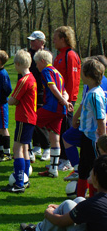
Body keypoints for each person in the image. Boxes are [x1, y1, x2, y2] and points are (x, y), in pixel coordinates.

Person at [20, 155, 107, 231]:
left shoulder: (92, 203)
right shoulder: (92, 204)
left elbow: (61, 221)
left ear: (96, 176)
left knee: (67, 204)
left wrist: (48, 213)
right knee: (79, 200)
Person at [65, 58, 106, 197]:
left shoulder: (95, 94)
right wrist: (78, 120)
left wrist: (103, 138)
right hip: (86, 135)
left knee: (94, 170)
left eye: (81, 72)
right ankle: (80, 198)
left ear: (88, 75)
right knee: (83, 169)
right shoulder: (91, 91)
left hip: (93, 138)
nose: (80, 75)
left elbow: (100, 117)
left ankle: (95, 198)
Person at [1, 50, 37, 193]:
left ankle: (19, 183)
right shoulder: (32, 77)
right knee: (25, 148)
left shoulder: (24, 80)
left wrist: (7, 100)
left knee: (17, 148)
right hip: (31, 117)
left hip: (24, 118)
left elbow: (13, 100)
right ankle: (25, 178)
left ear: (17, 64)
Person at [33, 50, 73, 178]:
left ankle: (26, 155)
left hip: (52, 107)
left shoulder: (46, 71)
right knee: (54, 137)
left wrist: (62, 101)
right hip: (61, 110)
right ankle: (53, 169)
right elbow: (65, 91)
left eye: (37, 63)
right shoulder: (58, 73)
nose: (36, 66)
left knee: (29, 121)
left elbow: (53, 87)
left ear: (43, 61)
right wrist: (65, 102)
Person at [53, 26, 82, 172]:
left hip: (66, 100)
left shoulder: (70, 55)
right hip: (59, 99)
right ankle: (62, 158)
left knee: (66, 128)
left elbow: (73, 79)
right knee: (60, 128)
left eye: (56, 37)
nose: (53, 40)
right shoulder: (59, 55)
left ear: (63, 39)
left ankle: (68, 160)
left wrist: (68, 100)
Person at [27, 31, 51, 161]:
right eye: (31, 41)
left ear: (41, 42)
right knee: (31, 118)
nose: (31, 43)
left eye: (34, 41)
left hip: (42, 92)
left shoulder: (47, 55)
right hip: (31, 90)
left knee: (39, 119)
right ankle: (36, 145)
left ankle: (46, 147)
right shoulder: (29, 54)